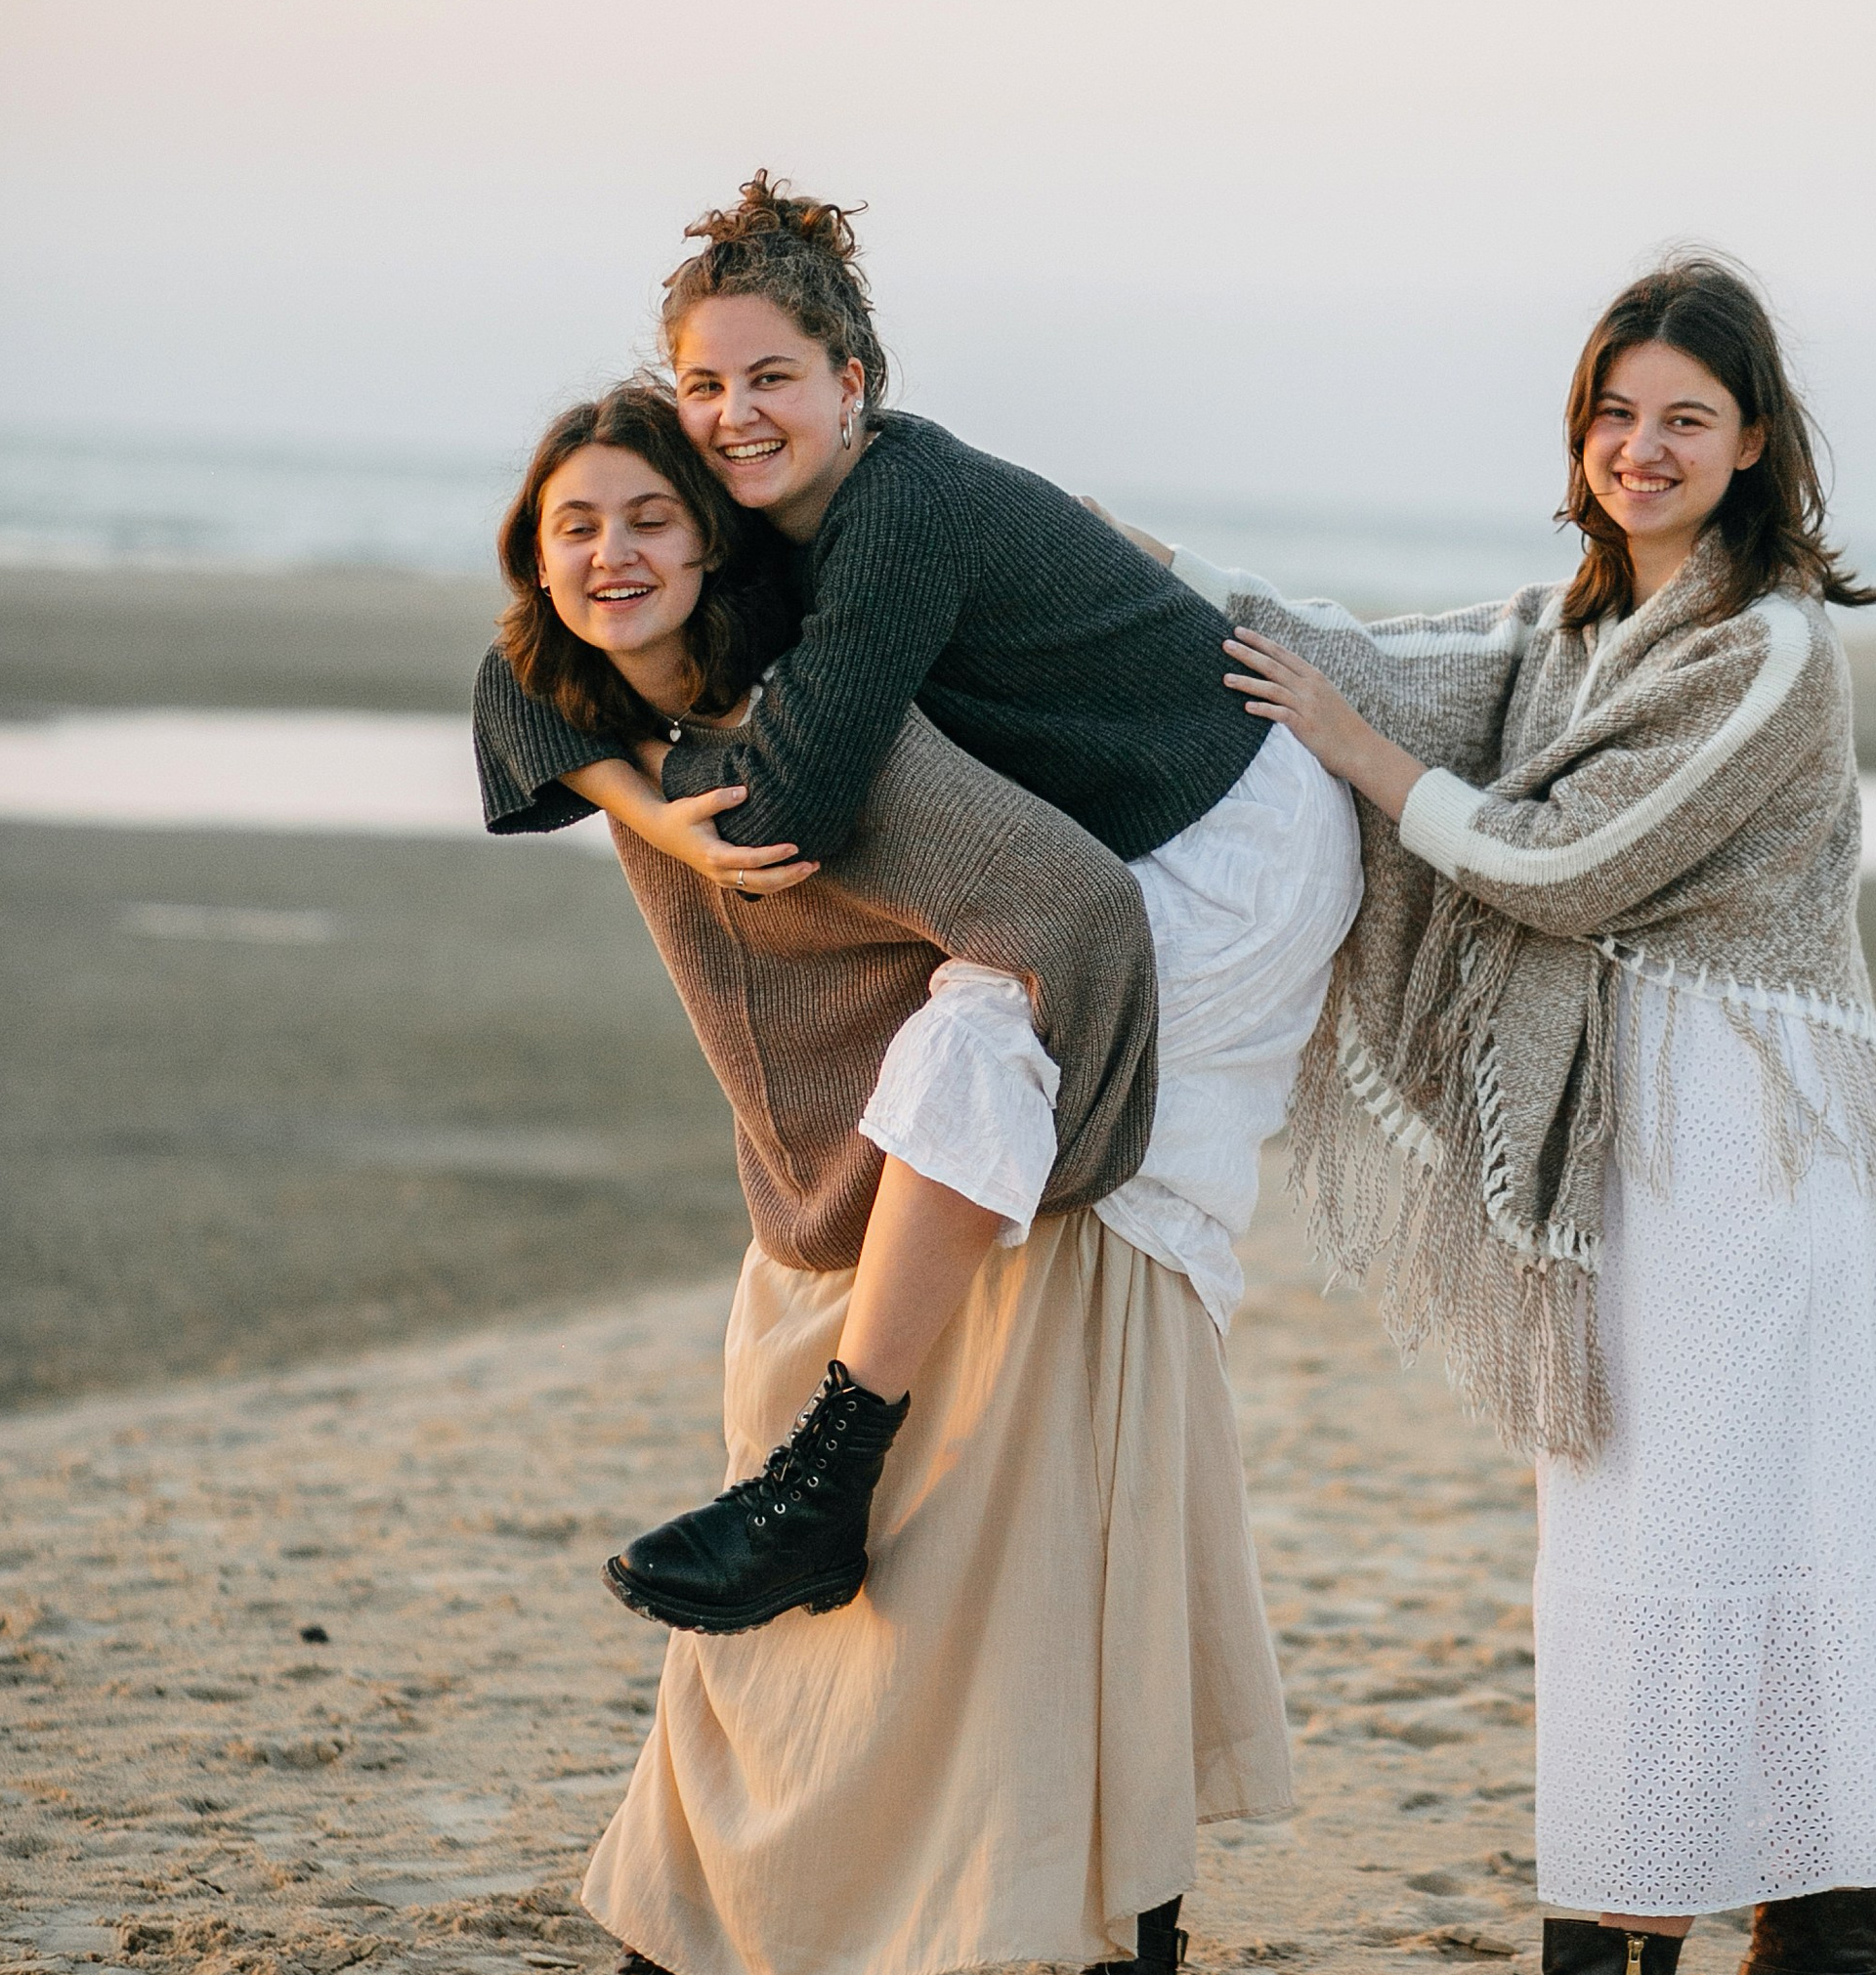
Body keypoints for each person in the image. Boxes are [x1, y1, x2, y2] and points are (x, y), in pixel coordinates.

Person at [1155, 257, 1876, 1975]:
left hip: (1755, 1146)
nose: (1642, 447)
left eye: (1685, 419)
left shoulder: (1766, 649)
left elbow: (1573, 866)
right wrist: (1123, 568)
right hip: (1687, 1138)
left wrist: (1363, 763)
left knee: (1672, 1544)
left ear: (1755, 443)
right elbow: (1365, 655)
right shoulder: (1571, 632)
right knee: (1755, 1538)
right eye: (1615, 413)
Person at [485, 385, 1294, 1975]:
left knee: (1086, 1577)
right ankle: (667, 1972)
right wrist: (653, 809)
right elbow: (511, 697)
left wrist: (1076, 1164)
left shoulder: (817, 732)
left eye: (651, 519)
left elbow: (1075, 911)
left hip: (998, 1192)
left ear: (719, 544)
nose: (613, 555)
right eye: (577, 528)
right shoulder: (582, 701)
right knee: (760, 1599)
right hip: (816, 1200)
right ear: (533, 562)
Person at [477, 175, 1361, 1635]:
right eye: (704, 386)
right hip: (1132, 818)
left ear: (853, 385)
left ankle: (824, 1492)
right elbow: (524, 669)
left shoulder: (897, 508)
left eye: (773, 378)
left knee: (980, 1061)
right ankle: (834, 1483)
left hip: (1228, 836)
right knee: (965, 1062)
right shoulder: (771, 520)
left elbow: (794, 807)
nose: (735, 415)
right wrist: (643, 806)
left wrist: (689, 799)